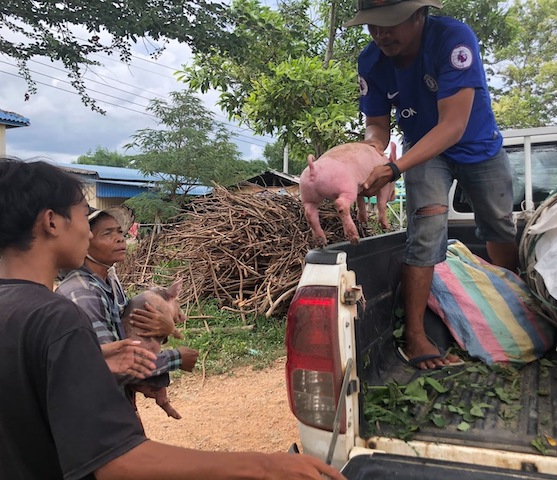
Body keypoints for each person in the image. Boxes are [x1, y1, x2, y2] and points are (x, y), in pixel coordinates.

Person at [0, 157, 345, 480]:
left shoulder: (23, 309)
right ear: (51, 222)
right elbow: (115, 461)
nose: (89, 232)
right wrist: (268, 466)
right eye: (81, 216)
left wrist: (92, 361)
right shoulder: (57, 316)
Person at [345, 0, 519, 369]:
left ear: (420, 14)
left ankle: (516, 303)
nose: (381, 34)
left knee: (499, 224)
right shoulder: (370, 61)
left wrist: (393, 170)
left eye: (390, 23)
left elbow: (453, 126)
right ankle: (415, 334)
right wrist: (369, 154)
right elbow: (377, 126)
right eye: (372, 25)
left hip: (479, 148)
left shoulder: (453, 38)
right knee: (425, 231)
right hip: (424, 152)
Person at [56, 205, 198, 413]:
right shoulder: (84, 293)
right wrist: (176, 358)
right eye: (107, 233)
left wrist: (163, 329)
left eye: (119, 232)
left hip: (115, 401)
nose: (120, 238)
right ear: (84, 242)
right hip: (95, 410)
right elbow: (106, 366)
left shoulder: (109, 281)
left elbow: (126, 332)